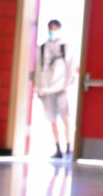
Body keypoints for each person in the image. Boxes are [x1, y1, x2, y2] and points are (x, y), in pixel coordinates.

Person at [34, 19, 74, 158]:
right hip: (46, 88)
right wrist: (38, 87)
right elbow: (38, 69)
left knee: (65, 117)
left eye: (55, 28)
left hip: (61, 87)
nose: (53, 30)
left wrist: (67, 85)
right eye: (51, 28)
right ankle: (57, 147)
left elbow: (71, 67)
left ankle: (69, 145)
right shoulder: (42, 48)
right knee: (52, 119)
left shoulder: (65, 47)